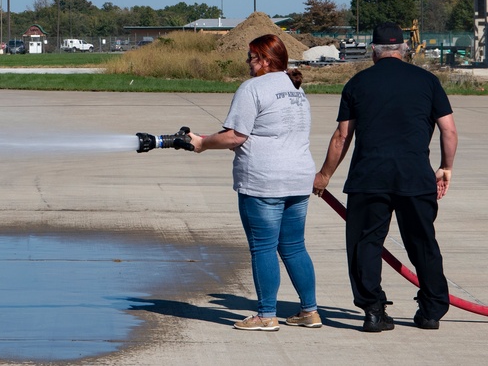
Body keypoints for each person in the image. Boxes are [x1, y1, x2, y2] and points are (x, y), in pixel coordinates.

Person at [314, 22, 457, 332]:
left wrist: (324, 175)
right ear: (404, 49)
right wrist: (446, 168)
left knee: (365, 244)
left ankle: (373, 311)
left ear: (373, 51)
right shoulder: (428, 81)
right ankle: (432, 311)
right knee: (422, 243)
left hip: (369, 178)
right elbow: (449, 129)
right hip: (415, 178)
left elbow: (342, 135)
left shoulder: (357, 83)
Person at [189, 34, 320, 331]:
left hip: (264, 181)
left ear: (263, 59)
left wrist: (202, 143)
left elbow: (236, 135)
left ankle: (265, 314)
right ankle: (309, 311)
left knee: (263, 247)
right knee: (294, 247)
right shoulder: (295, 88)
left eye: (250, 57)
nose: (248, 63)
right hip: (299, 179)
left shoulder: (252, 88)